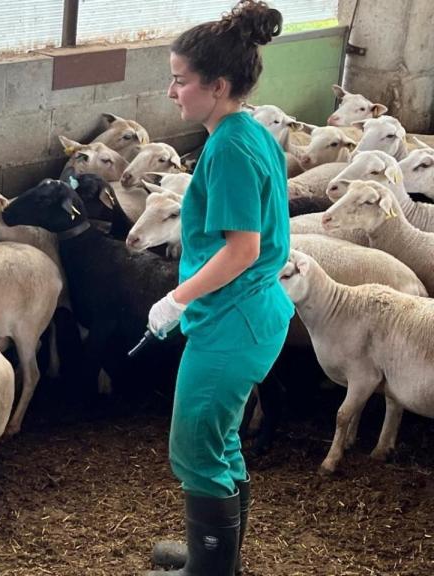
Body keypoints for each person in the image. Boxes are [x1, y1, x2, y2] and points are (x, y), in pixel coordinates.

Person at [143, 2, 293, 575]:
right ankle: (218, 559)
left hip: (233, 321)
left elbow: (243, 248)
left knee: (195, 448)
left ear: (218, 84)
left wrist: (175, 298)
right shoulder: (247, 131)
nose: (171, 91)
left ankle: (207, 571)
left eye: (180, 81)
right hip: (250, 314)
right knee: (220, 440)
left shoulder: (229, 147)